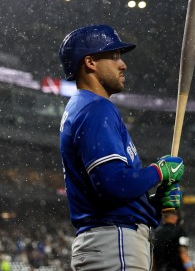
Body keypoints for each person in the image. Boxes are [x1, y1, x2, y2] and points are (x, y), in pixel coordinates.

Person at [58, 24, 185, 271]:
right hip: (114, 243)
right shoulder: (95, 108)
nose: (122, 64)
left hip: (108, 242)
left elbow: (109, 192)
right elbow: (113, 184)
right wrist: (159, 172)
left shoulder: (82, 107)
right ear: (90, 62)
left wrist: (153, 203)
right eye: (114, 56)